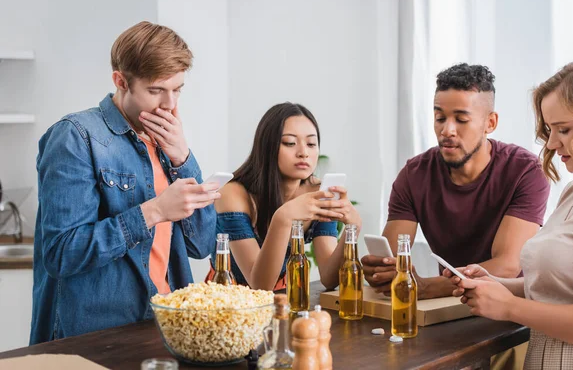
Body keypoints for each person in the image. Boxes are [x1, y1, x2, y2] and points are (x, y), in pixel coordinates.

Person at [30, 21, 219, 344]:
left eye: (177, 90)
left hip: (163, 326)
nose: (170, 105)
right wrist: (154, 211)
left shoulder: (168, 143)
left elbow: (201, 246)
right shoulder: (76, 137)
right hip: (95, 337)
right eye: (156, 90)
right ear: (121, 81)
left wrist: (182, 159)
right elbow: (62, 254)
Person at [448, 58, 573, 369]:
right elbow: (561, 289)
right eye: (549, 129)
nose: (552, 143)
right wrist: (498, 285)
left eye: (564, 129)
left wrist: (511, 309)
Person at [362, 63, 550, 300]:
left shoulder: (526, 171)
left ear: (490, 123)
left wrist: (427, 287)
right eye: (440, 117)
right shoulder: (414, 175)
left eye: (461, 119)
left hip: (508, 305)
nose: (447, 130)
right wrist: (382, 272)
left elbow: (507, 266)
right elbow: (392, 255)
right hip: (447, 303)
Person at [206, 103, 361, 290]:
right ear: (267, 147)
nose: (303, 152)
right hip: (225, 299)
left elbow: (329, 278)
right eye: (290, 143)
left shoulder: (317, 192)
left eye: (311, 144)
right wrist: (283, 217)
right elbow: (259, 286)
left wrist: (353, 227)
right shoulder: (233, 194)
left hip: (282, 297)